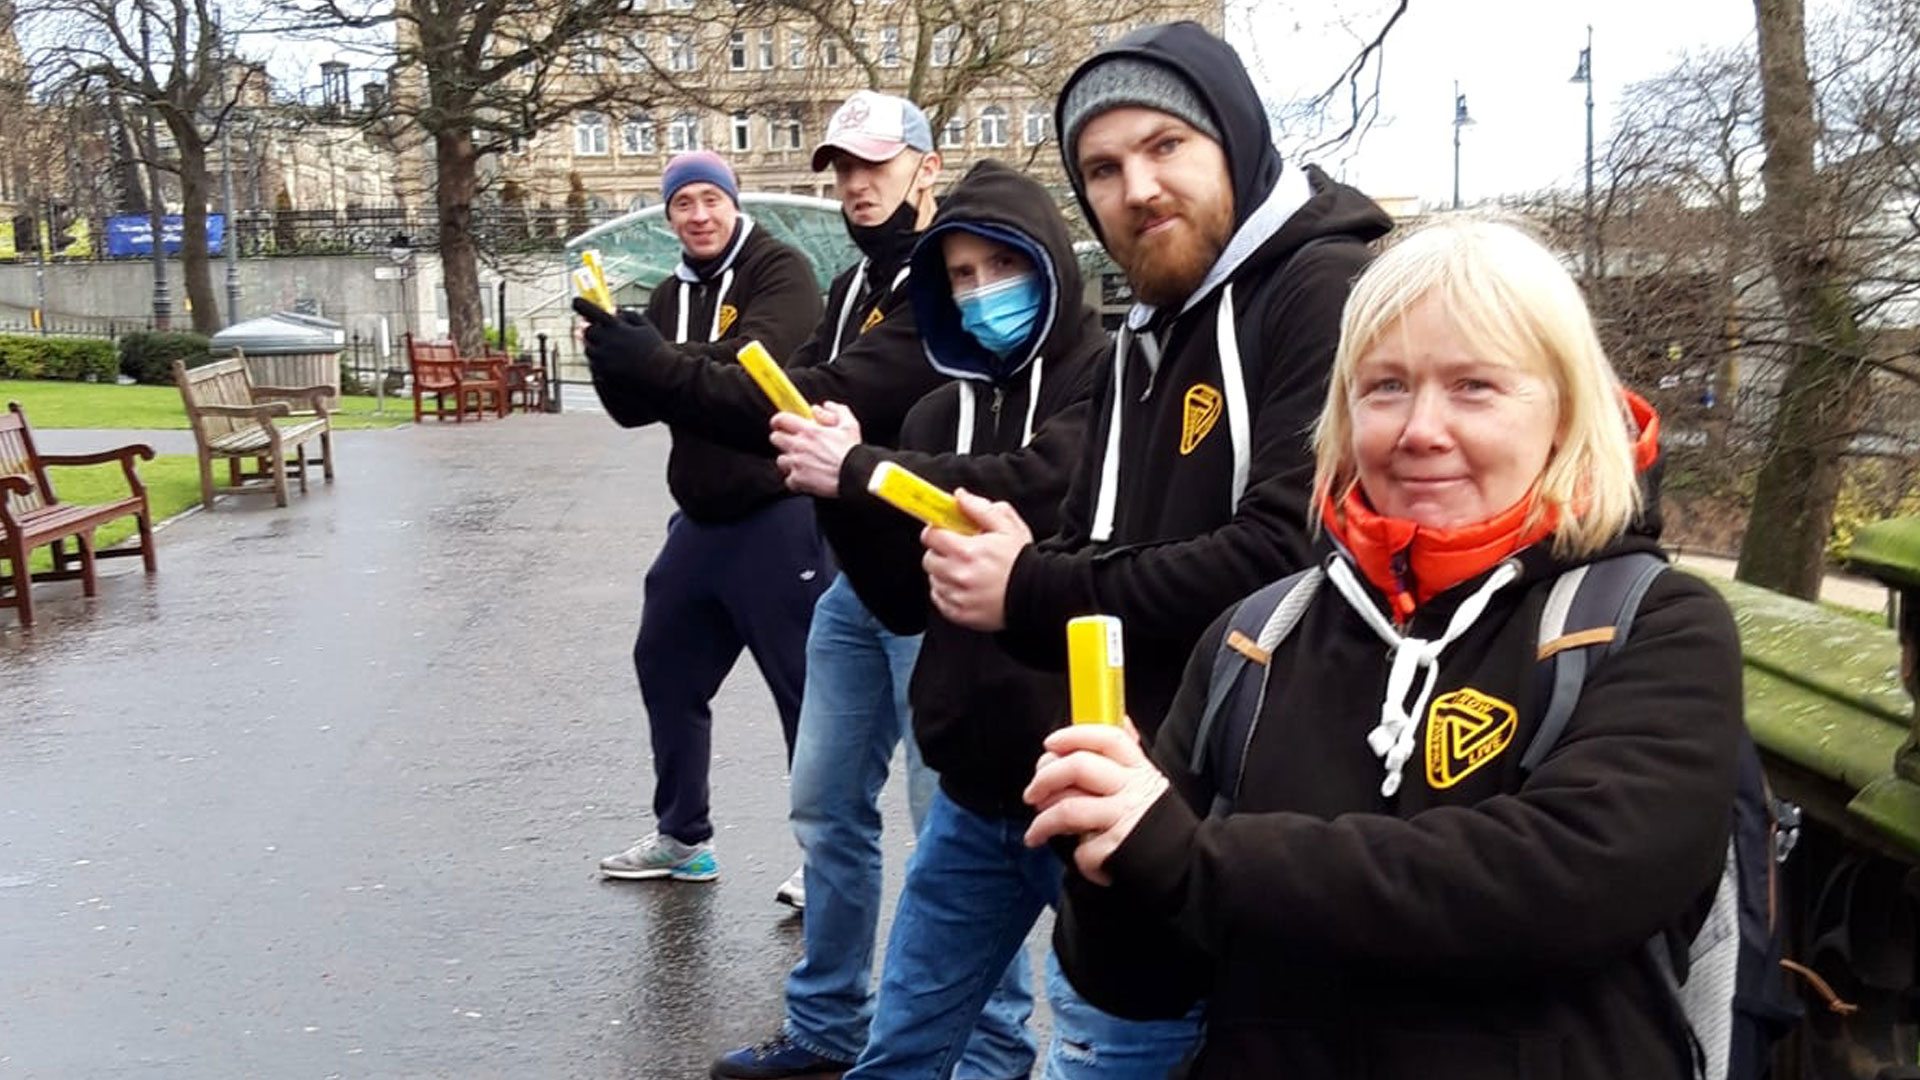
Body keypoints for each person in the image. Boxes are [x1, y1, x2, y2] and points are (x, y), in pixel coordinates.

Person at [1024, 217, 1745, 1080]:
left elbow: (1569, 884)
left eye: (1474, 386)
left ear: (1564, 411)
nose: (1420, 429)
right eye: (1386, 387)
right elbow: (1140, 983)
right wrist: (1106, 854)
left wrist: (1186, 858)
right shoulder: (1256, 640)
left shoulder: (1656, 626)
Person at [919, 22, 1392, 1069]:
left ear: (1235, 136)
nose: (1137, 188)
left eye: (1166, 145)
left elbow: (1290, 559)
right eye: (1103, 168)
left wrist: (1028, 588)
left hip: (1230, 833)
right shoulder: (1148, 329)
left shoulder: (1320, 290)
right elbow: (1104, 538)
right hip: (1125, 814)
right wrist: (1025, 557)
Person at [573, 91, 1026, 1080]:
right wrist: (636, 363)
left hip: (941, 591)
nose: (857, 184)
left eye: (876, 164)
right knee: (825, 809)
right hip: (856, 584)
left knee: (958, 836)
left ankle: (990, 1053)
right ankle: (828, 1025)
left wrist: (659, 364)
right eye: (844, 167)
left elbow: (821, 395)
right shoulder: (854, 282)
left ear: (925, 167)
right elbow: (781, 405)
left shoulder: (938, 286)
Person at [768, 159, 1100, 1079]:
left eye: (1003, 265)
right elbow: (901, 594)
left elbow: (1037, 486)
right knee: (904, 1048)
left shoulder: (1109, 383)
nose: (983, 292)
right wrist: (834, 488)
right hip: (971, 788)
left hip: (1078, 779)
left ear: (1051, 260)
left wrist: (864, 472)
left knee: (1101, 1046)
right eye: (961, 275)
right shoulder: (931, 412)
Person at [596, 151, 828, 886]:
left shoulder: (780, 269)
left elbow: (755, 372)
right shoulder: (671, 293)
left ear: (733, 202)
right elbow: (636, 408)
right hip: (700, 518)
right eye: (682, 204)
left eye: (710, 199)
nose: (698, 216)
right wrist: (611, 355)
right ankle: (683, 835)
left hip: (779, 510)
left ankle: (825, 858)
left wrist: (653, 358)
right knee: (663, 664)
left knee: (804, 691)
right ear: (669, 216)